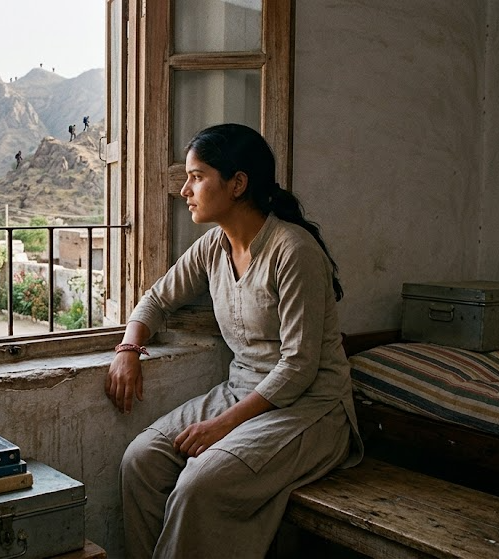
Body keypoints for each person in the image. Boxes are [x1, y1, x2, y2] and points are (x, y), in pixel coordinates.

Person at [105, 123, 363, 559]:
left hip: (311, 408)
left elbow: (299, 367)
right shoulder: (214, 246)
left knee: (198, 484)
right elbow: (157, 299)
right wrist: (129, 349)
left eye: (197, 176)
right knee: (141, 460)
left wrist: (223, 425)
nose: (185, 190)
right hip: (243, 391)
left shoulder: (293, 251)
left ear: (237, 184)